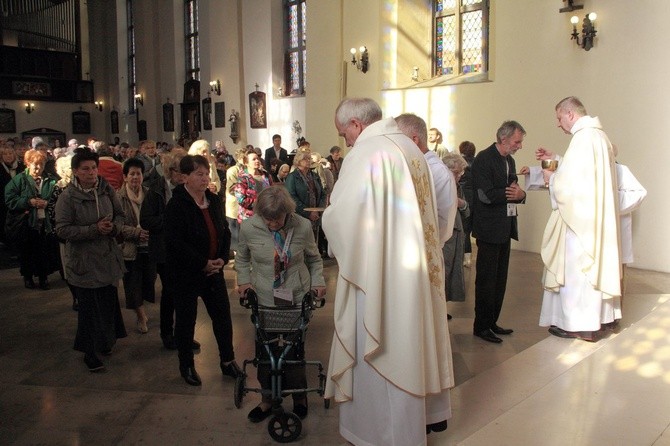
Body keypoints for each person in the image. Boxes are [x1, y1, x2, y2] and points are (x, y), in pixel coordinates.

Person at [324, 98, 454, 445]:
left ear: (355, 124)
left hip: (379, 278)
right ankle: (416, 424)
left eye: (344, 133)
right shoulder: (410, 148)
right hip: (414, 274)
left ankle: (381, 434)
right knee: (410, 344)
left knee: (383, 352)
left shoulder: (367, 153)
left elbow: (345, 217)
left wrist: (325, 217)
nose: (346, 141)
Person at [235, 185, 327, 423]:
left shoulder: (302, 226)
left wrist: (318, 282)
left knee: (294, 351)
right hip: (264, 298)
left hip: (296, 297)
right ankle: (267, 401)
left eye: (277, 218)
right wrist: (244, 282)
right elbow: (243, 259)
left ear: (288, 212)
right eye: (268, 219)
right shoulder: (248, 228)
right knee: (265, 352)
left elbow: (315, 260)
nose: (273, 224)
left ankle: (299, 398)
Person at [537, 97, 622, 342]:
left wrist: (551, 177)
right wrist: (559, 160)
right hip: (595, 220)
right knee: (591, 271)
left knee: (577, 273)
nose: (558, 124)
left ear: (570, 114)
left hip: (580, 225)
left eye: (559, 118)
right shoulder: (598, 136)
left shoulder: (583, 138)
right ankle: (600, 321)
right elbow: (584, 174)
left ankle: (579, 325)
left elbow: (569, 185)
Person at [164, 155, 240, 386]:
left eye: (207, 173)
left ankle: (228, 361)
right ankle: (186, 364)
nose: (205, 178)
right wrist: (202, 263)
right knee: (186, 322)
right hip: (187, 273)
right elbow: (175, 242)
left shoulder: (214, 200)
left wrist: (221, 258)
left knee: (223, 318)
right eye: (199, 174)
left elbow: (224, 232)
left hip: (214, 270)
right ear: (184, 178)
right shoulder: (176, 205)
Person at [55, 147, 127, 372]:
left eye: (94, 168)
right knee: (88, 310)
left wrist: (113, 227)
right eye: (85, 169)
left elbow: (120, 214)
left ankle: (105, 341)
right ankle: (89, 352)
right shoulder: (67, 197)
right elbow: (63, 230)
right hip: (83, 261)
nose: (91, 173)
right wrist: (93, 229)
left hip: (106, 257)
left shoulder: (106, 190)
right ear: (76, 171)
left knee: (107, 304)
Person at [395, 113, 458, 316]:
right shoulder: (410, 167)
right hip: (407, 255)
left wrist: (423, 245)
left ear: (414, 140)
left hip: (424, 255)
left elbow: (444, 221)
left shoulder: (438, 172)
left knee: (422, 314)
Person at [471, 120, 527, 343]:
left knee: (500, 279)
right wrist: (513, 194)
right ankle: (481, 326)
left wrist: (521, 195)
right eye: (517, 141)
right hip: (488, 229)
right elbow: (484, 195)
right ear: (503, 139)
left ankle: (492, 321)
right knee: (486, 280)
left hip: (505, 227)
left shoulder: (509, 160)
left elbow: (513, 191)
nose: (519, 146)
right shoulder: (484, 159)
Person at [5, 148, 59, 290]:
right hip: (27, 223)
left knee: (44, 252)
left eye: (41, 164)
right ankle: (28, 277)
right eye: (35, 164)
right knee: (27, 252)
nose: (38, 168)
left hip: (45, 223)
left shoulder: (51, 180)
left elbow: (58, 197)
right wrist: (29, 202)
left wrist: (48, 203)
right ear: (27, 164)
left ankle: (43, 278)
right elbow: (9, 199)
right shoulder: (19, 180)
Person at [118, 158, 154, 334]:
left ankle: (142, 309)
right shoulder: (118, 197)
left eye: (138, 173)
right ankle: (140, 316)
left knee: (149, 280)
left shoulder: (149, 194)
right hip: (130, 248)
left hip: (149, 247)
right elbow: (117, 226)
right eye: (131, 174)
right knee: (133, 285)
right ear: (125, 176)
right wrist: (136, 232)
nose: (135, 177)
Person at [442, 152, 470, 303]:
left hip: (457, 231)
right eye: (457, 173)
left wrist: (461, 203)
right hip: (446, 233)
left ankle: (445, 304)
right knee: (443, 271)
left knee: (453, 271)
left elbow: (467, 210)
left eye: (461, 173)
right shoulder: (441, 183)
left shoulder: (457, 186)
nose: (459, 176)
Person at [285, 150, 325, 243]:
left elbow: (323, 193)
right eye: (305, 158)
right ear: (298, 161)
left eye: (309, 158)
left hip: (316, 215)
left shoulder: (314, 175)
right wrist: (308, 213)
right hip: (300, 216)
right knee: (302, 243)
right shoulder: (292, 177)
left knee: (314, 243)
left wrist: (318, 211)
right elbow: (291, 197)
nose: (309, 160)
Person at [234, 149, 272, 223]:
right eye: (253, 159)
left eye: (257, 158)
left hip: (266, 216)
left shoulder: (266, 175)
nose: (257, 161)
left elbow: (272, 191)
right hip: (248, 218)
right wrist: (260, 203)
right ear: (246, 163)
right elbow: (241, 199)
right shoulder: (243, 178)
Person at [0, 145, 25, 247]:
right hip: (3, 201)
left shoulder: (21, 167)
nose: (8, 156)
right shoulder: (1, 168)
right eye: (5, 154)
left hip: (19, 200)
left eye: (10, 153)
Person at [458, 140, 476, 267]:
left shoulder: (459, 162)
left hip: (462, 197)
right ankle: (468, 257)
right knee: (468, 229)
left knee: (462, 229)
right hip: (474, 199)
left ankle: (462, 256)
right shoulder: (477, 163)